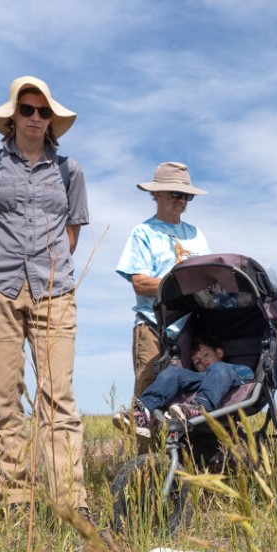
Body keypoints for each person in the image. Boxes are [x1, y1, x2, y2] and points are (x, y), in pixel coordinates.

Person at [0, 76, 89, 519]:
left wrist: (49, 263)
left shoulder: (69, 171)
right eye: (28, 110)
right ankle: (15, 501)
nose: (36, 118)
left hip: (54, 290)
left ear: (52, 120)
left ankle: (69, 501)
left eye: (43, 112)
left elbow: (71, 232)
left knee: (58, 395)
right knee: (3, 397)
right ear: (13, 116)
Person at [115, 162, 210, 398]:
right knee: (148, 391)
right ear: (157, 193)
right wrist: (182, 286)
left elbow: (208, 276)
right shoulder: (143, 232)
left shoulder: (196, 234)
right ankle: (142, 436)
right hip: (153, 326)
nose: (182, 201)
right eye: (176, 194)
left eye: (187, 196)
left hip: (191, 328)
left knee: (188, 394)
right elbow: (140, 283)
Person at [120, 335, 253, 437]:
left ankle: (198, 408)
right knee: (173, 372)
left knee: (218, 368)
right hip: (203, 381)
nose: (203, 361)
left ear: (219, 352)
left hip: (230, 381)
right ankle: (142, 412)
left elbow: (248, 376)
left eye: (206, 354)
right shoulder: (199, 375)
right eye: (197, 362)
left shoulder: (235, 369)